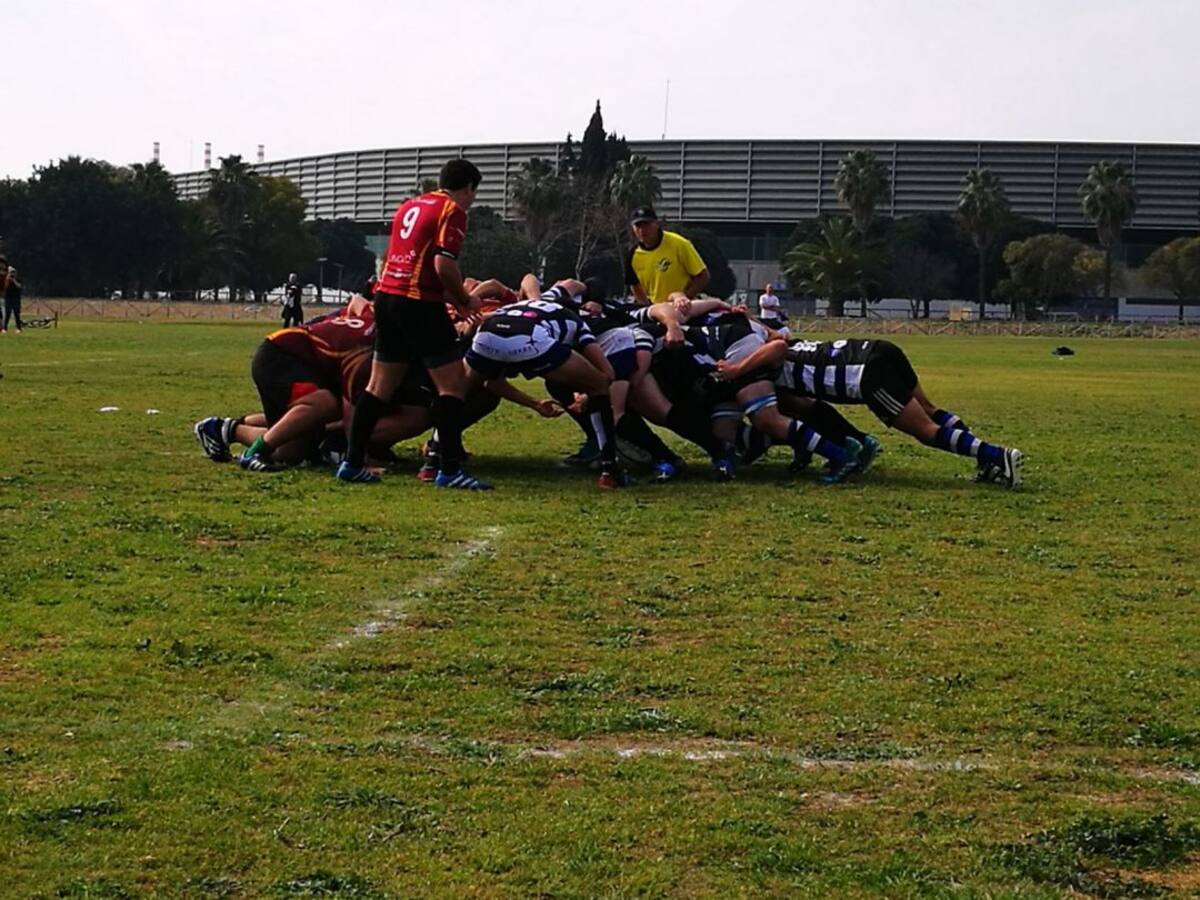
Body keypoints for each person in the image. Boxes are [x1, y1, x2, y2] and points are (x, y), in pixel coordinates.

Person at [336, 158, 487, 487]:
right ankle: (448, 469)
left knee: (379, 386)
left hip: (387, 298)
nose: (472, 201)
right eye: (473, 194)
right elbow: (443, 265)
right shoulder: (452, 210)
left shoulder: (410, 206)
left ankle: (352, 462)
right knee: (453, 385)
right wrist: (464, 300)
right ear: (468, 188)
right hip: (418, 302)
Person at [716, 336, 1025, 488]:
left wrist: (736, 369)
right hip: (876, 348)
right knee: (930, 411)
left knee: (925, 431)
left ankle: (998, 455)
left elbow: (779, 348)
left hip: (863, 374)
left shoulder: (757, 357)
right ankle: (987, 461)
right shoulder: (761, 338)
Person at [624, 207, 709, 304]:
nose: (642, 230)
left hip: (684, 307)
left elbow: (703, 276)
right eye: (638, 226)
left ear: (656, 224)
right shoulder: (633, 254)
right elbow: (634, 285)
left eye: (646, 225)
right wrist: (646, 306)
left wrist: (685, 298)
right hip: (657, 309)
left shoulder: (679, 243)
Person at [2, 266, 22, 334]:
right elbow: (4, 287)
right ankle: (5, 328)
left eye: (14, 272)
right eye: (11, 272)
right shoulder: (6, 279)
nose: (13, 274)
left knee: (17, 314)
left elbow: (19, 286)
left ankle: (18, 328)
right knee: (8, 314)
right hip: (8, 298)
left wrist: (13, 280)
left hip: (16, 299)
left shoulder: (18, 279)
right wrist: (8, 279)